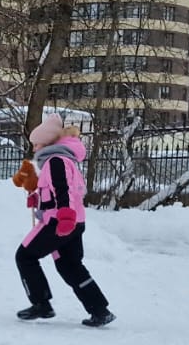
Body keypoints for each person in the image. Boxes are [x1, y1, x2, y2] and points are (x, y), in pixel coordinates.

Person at [14, 113, 115, 327]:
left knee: (25, 256)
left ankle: (41, 303)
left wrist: (64, 216)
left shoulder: (55, 161)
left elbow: (64, 190)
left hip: (58, 222)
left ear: (48, 142)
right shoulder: (66, 160)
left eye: (36, 144)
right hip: (74, 222)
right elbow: (62, 190)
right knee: (70, 266)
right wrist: (37, 196)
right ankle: (99, 309)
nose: (34, 149)